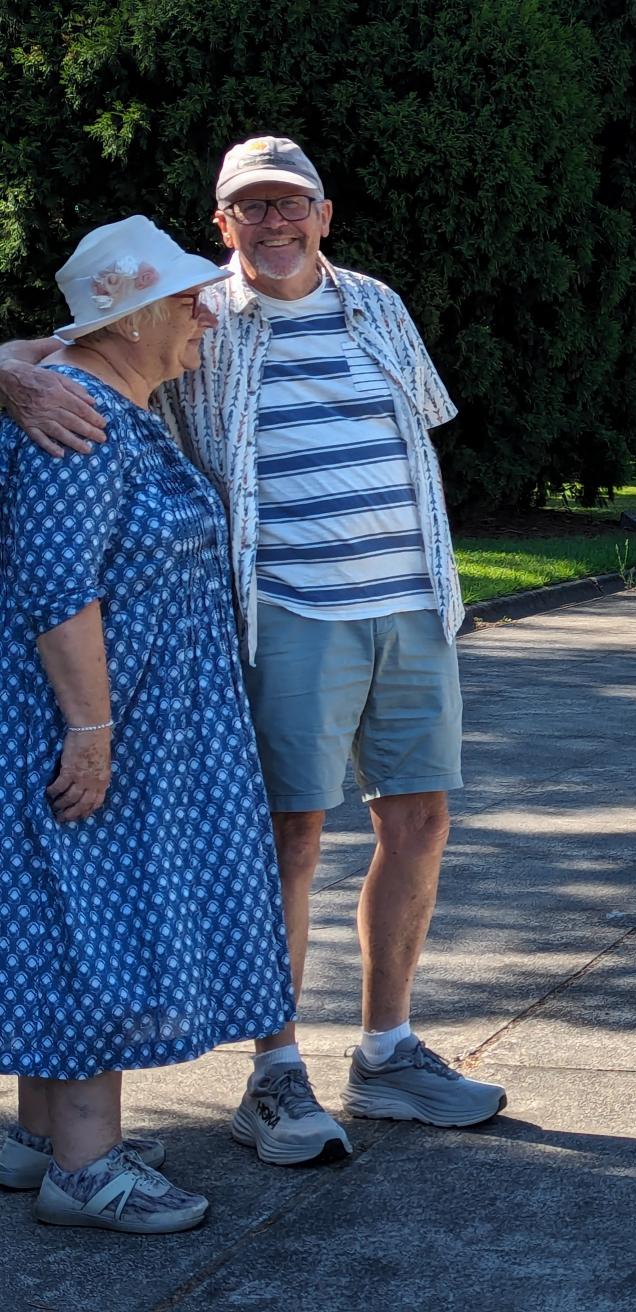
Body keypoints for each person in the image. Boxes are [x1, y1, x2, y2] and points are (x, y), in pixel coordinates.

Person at [2, 136, 504, 1167]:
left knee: (421, 821)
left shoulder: (378, 304)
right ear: (221, 227)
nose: (275, 225)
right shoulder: (189, 310)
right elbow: (56, 352)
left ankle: (389, 1051)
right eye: (252, 211)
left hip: (411, 604)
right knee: (292, 838)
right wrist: (8, 382)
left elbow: (415, 436)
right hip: (289, 611)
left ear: (325, 214)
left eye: (292, 206)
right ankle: (276, 1074)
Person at [0, 217, 296, 1232]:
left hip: (132, 722)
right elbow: (55, 583)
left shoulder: (96, 398)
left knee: (83, 913)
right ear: (126, 321)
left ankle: (41, 1133)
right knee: (96, 921)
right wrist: (91, 728)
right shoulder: (78, 418)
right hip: (90, 723)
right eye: (184, 298)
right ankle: (85, 1167)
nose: (205, 311)